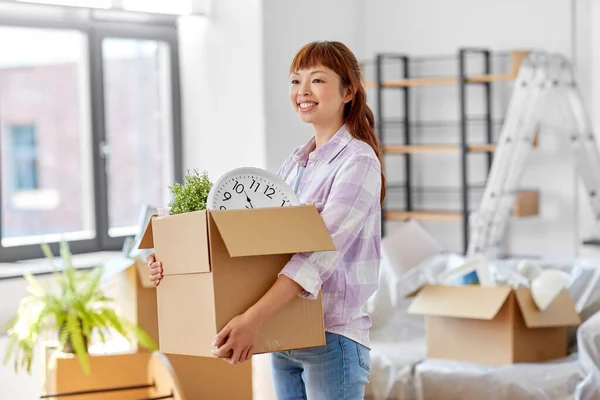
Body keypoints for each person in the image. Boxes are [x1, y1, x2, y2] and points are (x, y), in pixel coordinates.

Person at [147, 40, 385, 399]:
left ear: (348, 90)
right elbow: (261, 248)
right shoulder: (295, 163)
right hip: (286, 335)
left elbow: (316, 257)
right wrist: (175, 261)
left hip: (332, 338)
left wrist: (251, 319)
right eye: (295, 81)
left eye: (317, 80)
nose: (302, 91)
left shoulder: (358, 161)